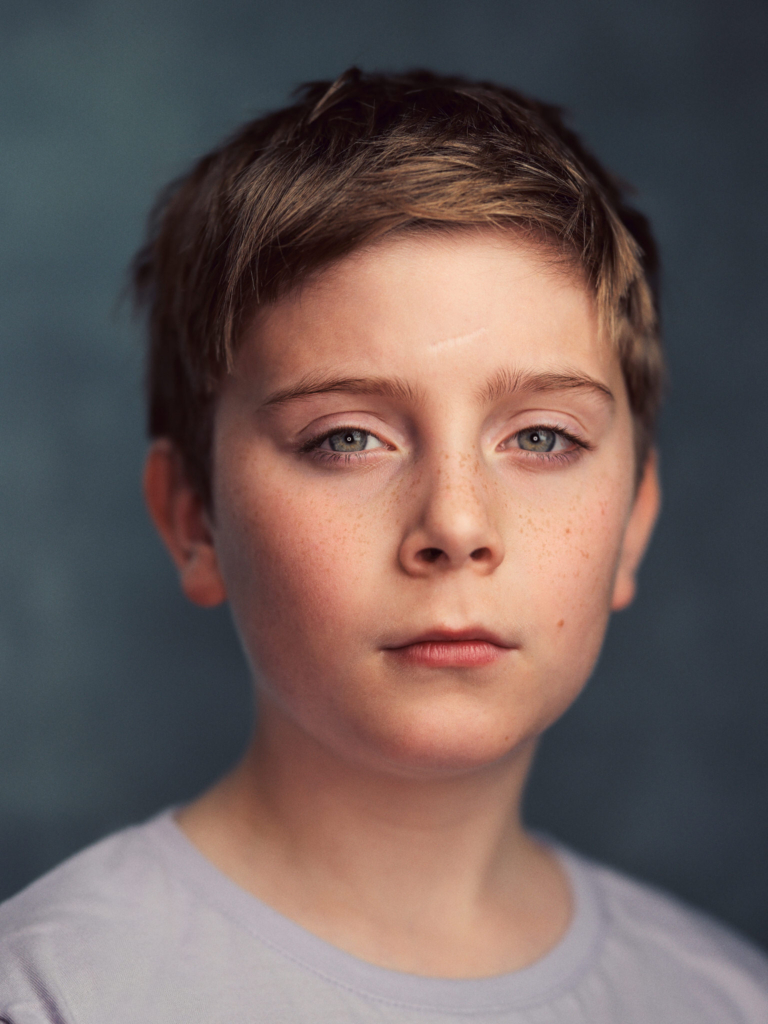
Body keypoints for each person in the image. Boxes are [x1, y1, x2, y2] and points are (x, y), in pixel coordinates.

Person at [1, 68, 766, 1023]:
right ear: (193, 519)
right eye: (347, 439)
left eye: (541, 436)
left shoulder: (726, 1001)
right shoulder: (53, 994)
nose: (457, 526)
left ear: (632, 526)